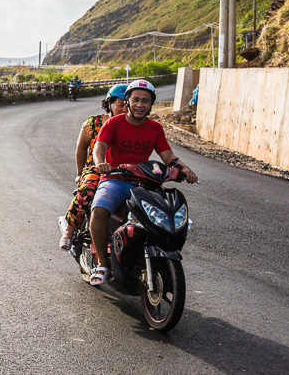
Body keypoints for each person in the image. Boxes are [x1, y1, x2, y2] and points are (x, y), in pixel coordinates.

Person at [88, 79, 198, 286]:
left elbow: (167, 156)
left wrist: (184, 168)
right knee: (99, 211)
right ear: (127, 101)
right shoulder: (114, 123)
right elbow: (99, 147)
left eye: (145, 101)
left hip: (146, 182)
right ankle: (103, 263)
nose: (140, 105)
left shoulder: (155, 128)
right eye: (135, 100)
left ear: (151, 104)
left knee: (162, 215)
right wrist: (101, 163)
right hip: (116, 179)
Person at [58, 84, 128, 250]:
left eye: (128, 104)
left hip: (124, 171)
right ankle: (69, 230)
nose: (125, 108)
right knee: (87, 190)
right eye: (120, 104)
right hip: (96, 169)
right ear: (109, 104)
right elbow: (81, 149)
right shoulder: (94, 123)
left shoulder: (133, 125)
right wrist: (79, 173)